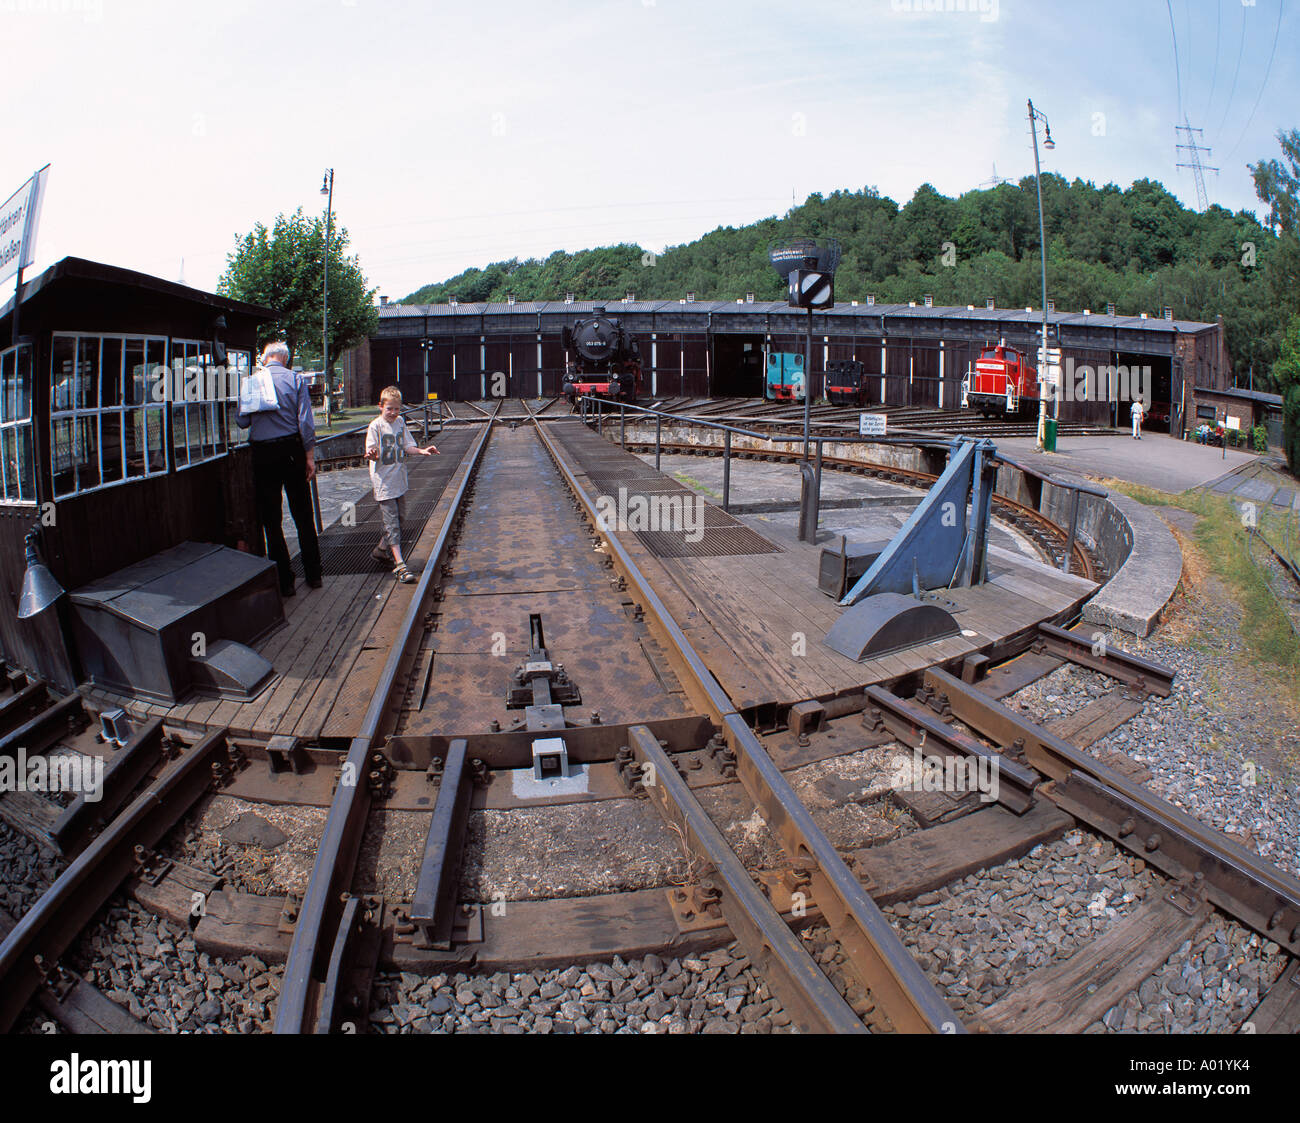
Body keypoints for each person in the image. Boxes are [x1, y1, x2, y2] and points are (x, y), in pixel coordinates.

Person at [237, 342, 322, 597]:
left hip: (263, 453)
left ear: (265, 358)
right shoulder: (295, 380)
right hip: (291, 450)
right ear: (285, 359)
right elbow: (305, 422)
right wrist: (309, 456)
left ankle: (285, 582)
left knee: (271, 520)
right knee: (303, 515)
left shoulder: (251, 381)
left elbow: (241, 421)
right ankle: (314, 575)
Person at [365, 386, 438, 583]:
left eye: (396, 409)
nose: (393, 412)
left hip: (398, 480)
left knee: (400, 519)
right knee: (392, 524)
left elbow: (407, 445)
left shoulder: (399, 423)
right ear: (380, 407)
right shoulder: (376, 426)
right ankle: (400, 564)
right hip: (384, 482)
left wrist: (422, 451)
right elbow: (371, 450)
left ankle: (381, 550)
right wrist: (373, 454)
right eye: (389, 408)